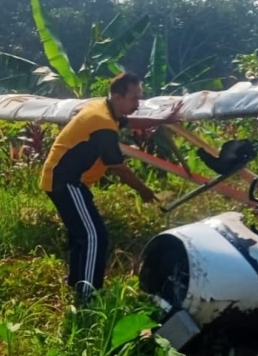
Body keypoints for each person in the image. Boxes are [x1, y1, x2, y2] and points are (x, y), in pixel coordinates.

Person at [40, 72, 181, 305]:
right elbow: (119, 168)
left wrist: (161, 118)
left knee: (81, 236)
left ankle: (78, 285)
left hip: (63, 179)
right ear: (117, 96)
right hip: (66, 181)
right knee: (95, 237)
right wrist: (144, 191)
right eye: (134, 99)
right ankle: (88, 297)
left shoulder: (104, 109)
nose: (138, 104)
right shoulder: (103, 123)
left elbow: (127, 122)